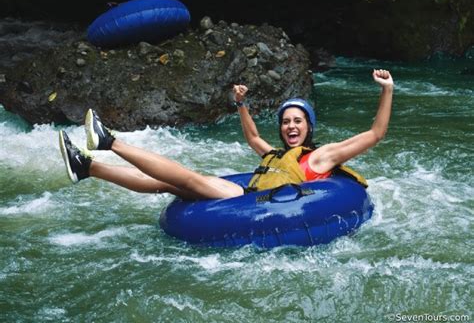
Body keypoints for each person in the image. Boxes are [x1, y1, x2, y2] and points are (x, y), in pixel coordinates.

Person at [59, 69, 394, 200]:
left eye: (297, 122)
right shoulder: (276, 156)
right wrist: (242, 103)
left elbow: (376, 133)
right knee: (168, 182)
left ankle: (109, 141)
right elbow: (252, 139)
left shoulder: (323, 155)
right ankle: (88, 168)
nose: (290, 127)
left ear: (309, 127)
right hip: (246, 194)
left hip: (251, 203)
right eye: (285, 122)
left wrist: (387, 90)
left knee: (188, 178)